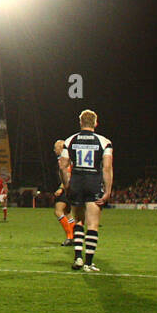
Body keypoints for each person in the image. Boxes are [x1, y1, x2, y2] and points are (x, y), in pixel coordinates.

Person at [58, 110, 113, 272]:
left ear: (80, 122)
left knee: (79, 221)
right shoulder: (104, 142)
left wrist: (66, 184)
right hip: (93, 182)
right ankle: (89, 263)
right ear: (96, 123)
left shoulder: (70, 140)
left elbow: (62, 165)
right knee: (93, 224)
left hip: (76, 183)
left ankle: (78, 258)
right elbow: (107, 167)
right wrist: (108, 190)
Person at [51, 139, 77, 245]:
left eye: (55, 147)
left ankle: (70, 236)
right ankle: (75, 236)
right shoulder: (67, 159)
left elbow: (68, 175)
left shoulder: (63, 160)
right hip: (71, 188)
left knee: (58, 211)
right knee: (68, 214)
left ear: (61, 148)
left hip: (67, 188)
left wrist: (61, 188)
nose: (54, 150)